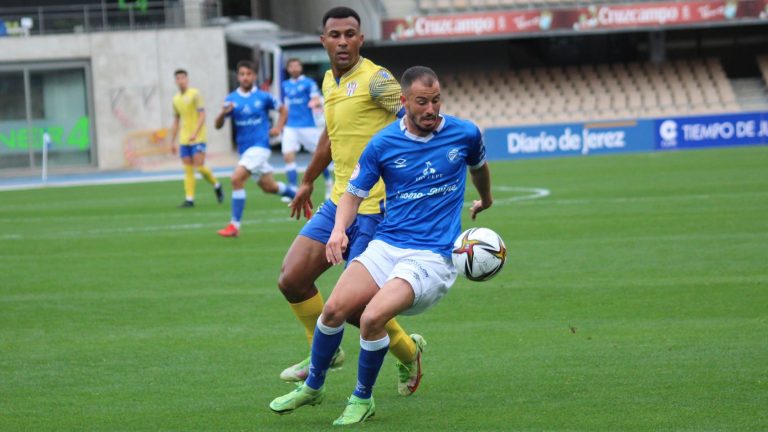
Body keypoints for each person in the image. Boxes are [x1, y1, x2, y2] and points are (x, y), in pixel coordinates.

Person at [270, 65, 493, 425]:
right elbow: (352, 195)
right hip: (387, 244)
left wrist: (486, 198)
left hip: (432, 256)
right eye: (422, 102)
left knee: (373, 317)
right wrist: (339, 230)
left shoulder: (465, 134)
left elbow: (479, 166)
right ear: (403, 102)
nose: (431, 109)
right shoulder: (383, 144)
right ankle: (314, 386)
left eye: (436, 100)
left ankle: (362, 398)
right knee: (333, 311)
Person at [276, 6, 425, 397]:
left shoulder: (376, 80)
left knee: (356, 308)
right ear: (323, 40)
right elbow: (330, 136)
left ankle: (409, 352)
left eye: (350, 34)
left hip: (376, 209)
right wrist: (307, 180)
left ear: (361, 39)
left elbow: (418, 118)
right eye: (335, 35)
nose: (343, 41)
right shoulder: (329, 81)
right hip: (339, 202)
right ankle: (322, 351)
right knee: (292, 279)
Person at [216, 60, 295, 237]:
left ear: (254, 76)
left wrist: (278, 128)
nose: (245, 77)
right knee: (270, 187)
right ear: (238, 76)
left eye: (248, 74)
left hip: (260, 147)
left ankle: (234, 226)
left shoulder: (263, 97)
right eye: (242, 74)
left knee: (237, 179)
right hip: (245, 151)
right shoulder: (231, 99)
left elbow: (283, 110)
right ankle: (298, 196)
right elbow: (218, 125)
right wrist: (222, 113)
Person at [280, 58, 333, 201]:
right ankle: (292, 189)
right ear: (288, 69)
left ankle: (329, 183)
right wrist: (280, 126)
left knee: (319, 157)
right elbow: (284, 107)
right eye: (291, 66)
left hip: (308, 126)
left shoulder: (308, 83)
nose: (295, 68)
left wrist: (316, 102)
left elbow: (315, 97)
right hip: (291, 126)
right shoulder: (284, 86)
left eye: (297, 65)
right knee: (287, 155)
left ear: (300, 67)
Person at [169, 69, 223, 208]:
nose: (180, 80)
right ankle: (189, 199)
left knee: (199, 166)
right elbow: (176, 121)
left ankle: (216, 184)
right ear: (175, 81)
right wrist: (172, 141)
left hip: (198, 137)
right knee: (187, 169)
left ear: (187, 79)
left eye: (183, 78)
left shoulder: (195, 94)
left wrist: (195, 132)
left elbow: (202, 115)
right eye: (178, 78)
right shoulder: (175, 99)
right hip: (183, 139)